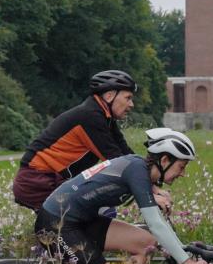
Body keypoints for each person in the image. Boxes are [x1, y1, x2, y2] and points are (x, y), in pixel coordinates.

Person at [37, 129, 209, 264]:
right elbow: (155, 223)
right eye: (182, 166)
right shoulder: (137, 170)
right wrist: (187, 262)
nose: (183, 173)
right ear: (164, 160)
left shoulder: (139, 170)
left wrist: (183, 252)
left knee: (146, 243)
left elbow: (158, 226)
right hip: (57, 224)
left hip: (81, 220)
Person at [12, 69, 138, 211]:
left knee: (99, 213)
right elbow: (117, 161)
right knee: (88, 215)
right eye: (128, 98)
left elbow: (126, 153)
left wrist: (148, 175)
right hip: (38, 181)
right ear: (109, 96)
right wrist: (147, 189)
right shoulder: (90, 117)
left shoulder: (104, 117)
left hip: (48, 179)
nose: (131, 104)